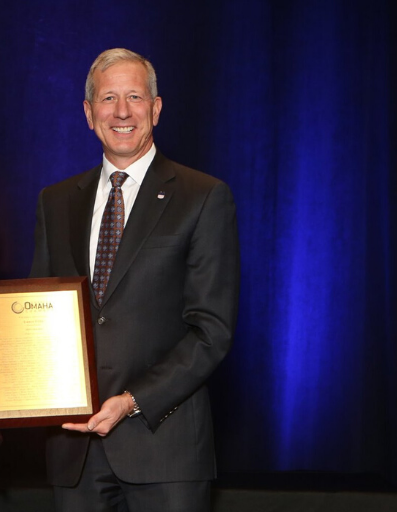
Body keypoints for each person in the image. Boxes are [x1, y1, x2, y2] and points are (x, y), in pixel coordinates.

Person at [28, 48, 239, 511]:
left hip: (165, 449)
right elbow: (39, 315)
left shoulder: (203, 198)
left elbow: (212, 330)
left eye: (134, 97)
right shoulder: (56, 201)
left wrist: (132, 400)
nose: (122, 112)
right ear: (88, 113)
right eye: (108, 98)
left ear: (156, 109)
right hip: (75, 453)